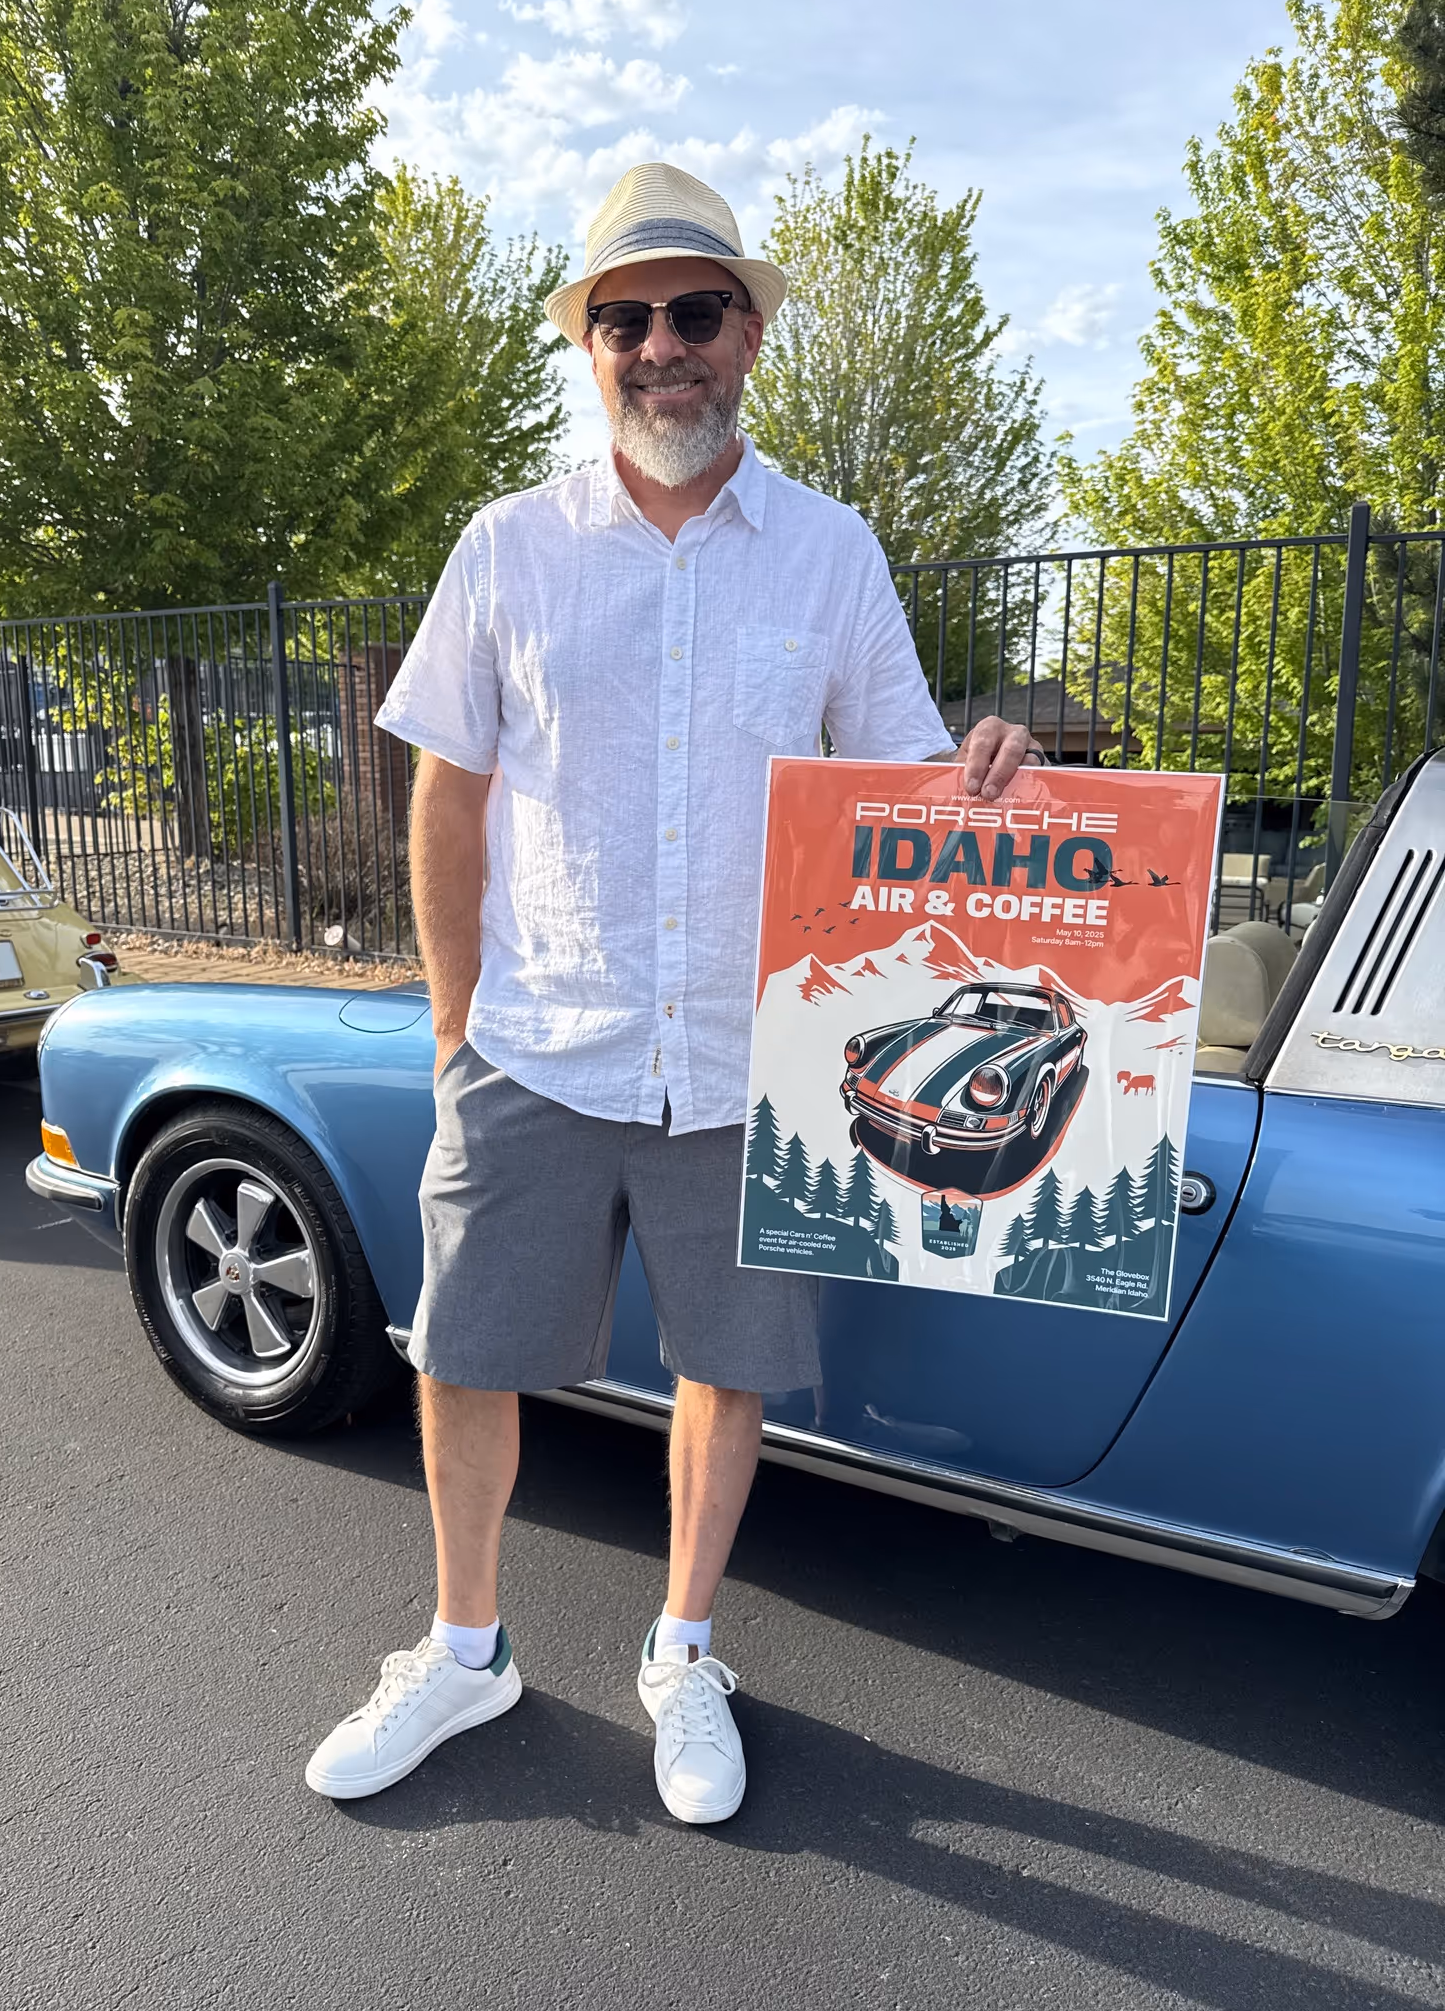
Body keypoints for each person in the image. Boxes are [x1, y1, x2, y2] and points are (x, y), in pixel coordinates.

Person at [305, 162, 1045, 1822]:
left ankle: (685, 1646)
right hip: (535, 1042)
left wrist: (987, 770)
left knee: (724, 1370)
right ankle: (468, 1647)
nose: (662, 346)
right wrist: (450, 1023)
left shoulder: (833, 557)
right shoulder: (507, 550)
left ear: (749, 339)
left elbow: (910, 784)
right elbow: (446, 791)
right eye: (624, 317)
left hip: (749, 1056)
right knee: (465, 1352)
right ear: (589, 347)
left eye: (694, 311)